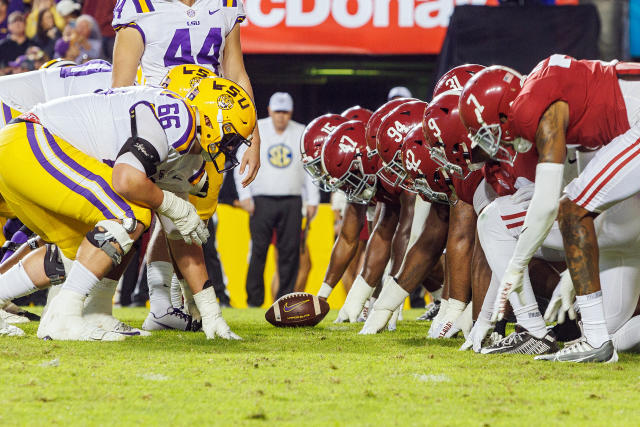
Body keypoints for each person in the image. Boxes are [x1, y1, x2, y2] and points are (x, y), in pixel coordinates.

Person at [0, 76, 252, 340]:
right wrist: (171, 203)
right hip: (30, 140)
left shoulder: (186, 154)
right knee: (131, 216)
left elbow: (180, 235)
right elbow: (125, 180)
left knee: (78, 253)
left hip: (19, 149)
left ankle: (73, 312)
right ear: (212, 120)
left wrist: (211, 310)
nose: (231, 148)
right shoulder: (179, 118)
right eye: (232, 139)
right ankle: (63, 319)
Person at [459, 56, 640, 362]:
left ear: (505, 114)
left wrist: (517, 266)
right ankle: (595, 340)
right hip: (626, 218)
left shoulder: (534, 107)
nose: (491, 145)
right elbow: (589, 197)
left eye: (486, 133)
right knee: (611, 331)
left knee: (567, 208)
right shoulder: (579, 99)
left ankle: (584, 340)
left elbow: (549, 207)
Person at [111, 0, 261, 329]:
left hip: (206, 136)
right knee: (130, 220)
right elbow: (120, 86)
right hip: (156, 129)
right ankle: (92, 305)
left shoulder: (225, 4)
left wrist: (253, 135)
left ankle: (166, 305)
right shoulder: (140, 5)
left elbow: (235, 73)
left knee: (188, 221)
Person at [235, 92, 319, 306]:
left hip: (292, 200)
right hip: (261, 200)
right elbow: (240, 161)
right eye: (277, 111)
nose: (281, 116)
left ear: (290, 112)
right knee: (258, 251)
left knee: (289, 253)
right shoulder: (257, 129)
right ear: (270, 111)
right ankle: (254, 300)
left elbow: (310, 168)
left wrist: (313, 200)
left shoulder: (301, 132)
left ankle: (284, 300)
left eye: (285, 112)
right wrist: (245, 195)